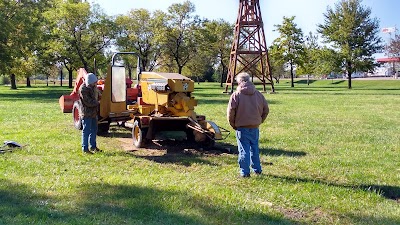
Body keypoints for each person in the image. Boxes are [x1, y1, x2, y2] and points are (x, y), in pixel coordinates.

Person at [227, 72, 269, 177]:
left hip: (241, 127)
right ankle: (257, 169)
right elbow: (266, 110)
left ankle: (244, 172)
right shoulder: (259, 94)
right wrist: (259, 120)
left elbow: (230, 113)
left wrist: (233, 124)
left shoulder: (236, 95)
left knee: (243, 150)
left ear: (239, 82)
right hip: (255, 126)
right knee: (254, 149)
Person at [79, 73, 101, 154]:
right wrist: (98, 103)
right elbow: (88, 102)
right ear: (90, 82)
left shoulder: (93, 87)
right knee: (86, 131)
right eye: (94, 82)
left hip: (94, 113)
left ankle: (93, 146)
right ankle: (85, 148)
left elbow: (99, 94)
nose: (95, 84)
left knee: (94, 130)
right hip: (86, 113)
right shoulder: (83, 89)